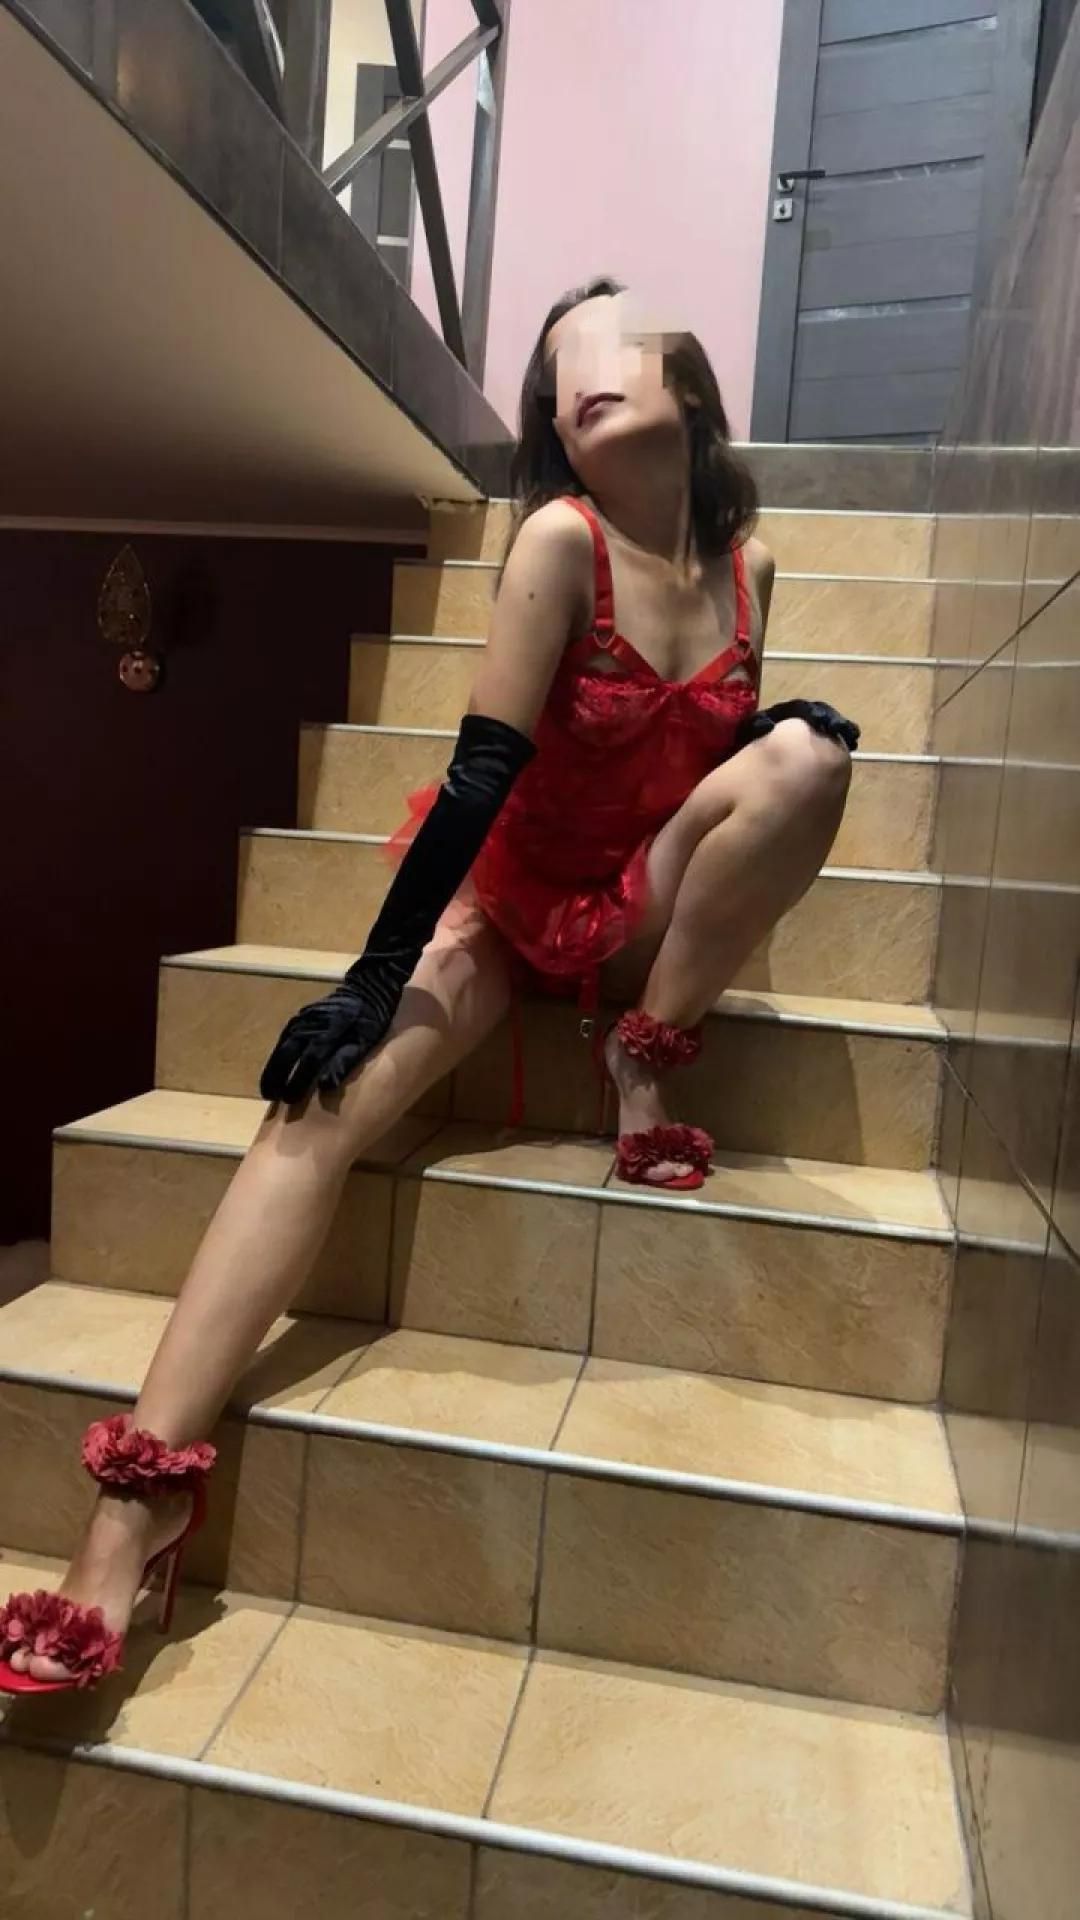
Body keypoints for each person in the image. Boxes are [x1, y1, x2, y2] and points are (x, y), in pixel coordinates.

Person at [0, 278, 855, 1693]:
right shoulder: (559, 542)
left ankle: (646, 1052)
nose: (574, 372)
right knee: (320, 1105)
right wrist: (370, 982)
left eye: (609, 340)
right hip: (511, 903)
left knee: (812, 758)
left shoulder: (751, 564)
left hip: (640, 908)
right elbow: (479, 775)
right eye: (554, 365)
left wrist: (770, 729)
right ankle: (133, 1502)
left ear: (693, 384)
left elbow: (705, 764)